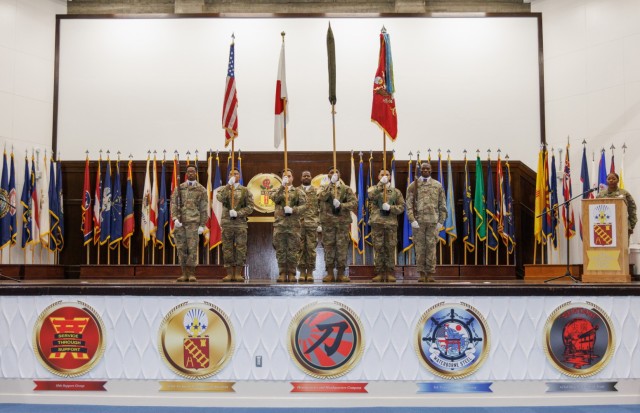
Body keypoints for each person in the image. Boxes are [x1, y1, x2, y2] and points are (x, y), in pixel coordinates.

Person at [406, 162, 447, 283]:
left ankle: (429, 273)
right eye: (423, 168)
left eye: (427, 168)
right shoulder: (413, 185)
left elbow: (442, 204)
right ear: (420, 170)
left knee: (431, 247)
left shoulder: (437, 185)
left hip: (433, 222)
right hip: (418, 222)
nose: (425, 170)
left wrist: (441, 221)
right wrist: (412, 219)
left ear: (431, 170)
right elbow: (408, 204)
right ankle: (421, 273)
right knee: (420, 248)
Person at [318, 167, 357, 282]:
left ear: (340, 174)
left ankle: (341, 273)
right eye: (331, 172)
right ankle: (329, 273)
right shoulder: (323, 188)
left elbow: (354, 203)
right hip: (328, 223)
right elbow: (321, 197)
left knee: (342, 248)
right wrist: (331, 183)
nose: (334, 174)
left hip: (342, 224)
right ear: (328, 175)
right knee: (329, 248)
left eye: (336, 172)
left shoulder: (346, 189)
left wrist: (341, 205)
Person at [216, 168, 255, 282]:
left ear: (240, 176)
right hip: (227, 223)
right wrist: (228, 185)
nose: (234, 175)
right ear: (228, 177)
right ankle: (229, 273)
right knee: (227, 248)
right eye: (231, 174)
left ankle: (238, 272)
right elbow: (220, 198)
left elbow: (250, 207)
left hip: (240, 224)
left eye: (236, 174)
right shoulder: (224, 189)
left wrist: (238, 213)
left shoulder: (245, 190)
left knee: (241, 248)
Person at [171, 165, 208, 283]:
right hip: (180, 224)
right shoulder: (179, 188)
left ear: (196, 173)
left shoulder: (201, 189)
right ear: (186, 174)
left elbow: (203, 208)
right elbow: (173, 204)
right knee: (181, 249)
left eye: (193, 171)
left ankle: (191, 273)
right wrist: (175, 218)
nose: (190, 173)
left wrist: (202, 225)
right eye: (188, 172)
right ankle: (184, 273)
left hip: (193, 223)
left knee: (192, 249)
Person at [368, 169, 405, 282]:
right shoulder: (373, 189)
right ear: (378, 177)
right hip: (377, 223)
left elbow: (402, 207)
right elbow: (371, 196)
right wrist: (380, 185)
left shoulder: (396, 192)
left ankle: (389, 272)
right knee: (379, 248)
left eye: (387, 174)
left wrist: (391, 208)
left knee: (389, 248)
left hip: (390, 224)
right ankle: (379, 273)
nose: (385, 176)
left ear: (390, 177)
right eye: (382, 174)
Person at [270, 169, 306, 282]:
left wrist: (293, 210)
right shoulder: (277, 190)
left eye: (289, 176)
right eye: (285, 176)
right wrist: (282, 186)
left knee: (293, 250)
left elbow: (305, 207)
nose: (287, 178)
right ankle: (282, 272)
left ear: (292, 178)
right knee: (280, 250)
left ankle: (291, 273)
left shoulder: (298, 192)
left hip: (293, 226)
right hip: (280, 225)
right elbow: (274, 198)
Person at [298, 170, 321, 282]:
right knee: (300, 248)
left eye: (308, 175)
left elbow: (322, 208)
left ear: (311, 177)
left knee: (311, 249)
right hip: (298, 224)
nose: (306, 177)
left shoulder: (317, 191)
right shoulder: (296, 191)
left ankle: (310, 272)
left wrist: (319, 222)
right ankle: (302, 272)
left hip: (312, 223)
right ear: (301, 178)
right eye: (304, 175)